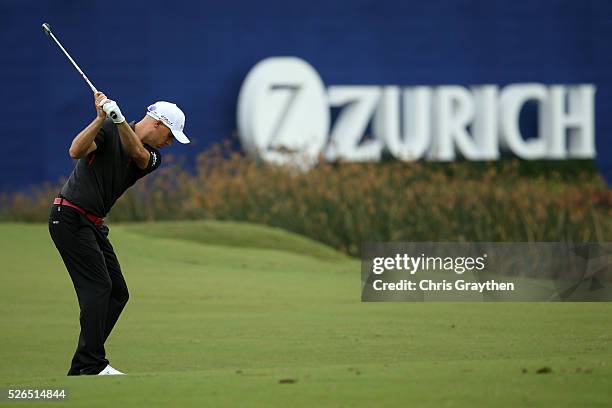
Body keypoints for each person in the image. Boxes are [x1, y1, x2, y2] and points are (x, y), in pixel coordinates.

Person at [48, 92, 190, 375]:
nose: (170, 142)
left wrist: (120, 119)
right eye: (171, 134)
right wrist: (101, 118)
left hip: (92, 224)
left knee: (118, 293)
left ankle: (84, 362)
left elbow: (136, 153)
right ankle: (90, 364)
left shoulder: (152, 157)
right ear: (158, 124)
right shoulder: (108, 131)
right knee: (99, 287)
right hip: (69, 217)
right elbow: (75, 151)